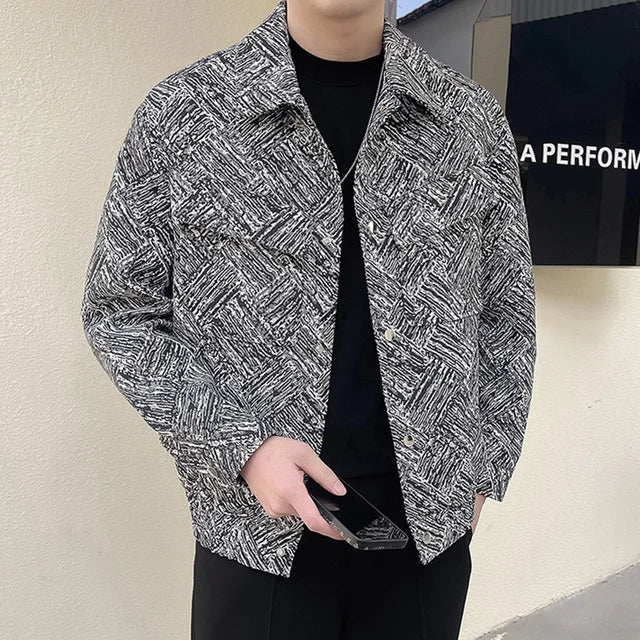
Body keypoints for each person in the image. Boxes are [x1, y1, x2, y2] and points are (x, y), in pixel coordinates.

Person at [81, 0, 537, 638]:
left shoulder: (469, 123)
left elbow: (507, 314)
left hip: (424, 534)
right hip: (256, 531)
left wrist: (482, 470)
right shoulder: (186, 115)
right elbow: (119, 312)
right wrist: (240, 446)